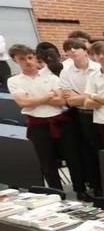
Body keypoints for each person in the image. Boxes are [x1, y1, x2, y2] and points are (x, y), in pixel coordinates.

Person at [7, 44, 88, 199]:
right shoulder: (14, 80)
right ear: (15, 60)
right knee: (47, 161)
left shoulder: (51, 77)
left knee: (73, 157)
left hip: (61, 122)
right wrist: (48, 96)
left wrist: (35, 99)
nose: (28, 62)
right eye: (22, 59)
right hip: (38, 124)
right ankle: (56, 193)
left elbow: (60, 100)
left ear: (36, 58)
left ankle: (80, 189)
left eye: (30, 57)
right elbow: (24, 103)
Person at [58, 39, 102, 196]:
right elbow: (69, 100)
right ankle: (96, 186)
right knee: (87, 152)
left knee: (102, 152)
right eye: (68, 49)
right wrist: (90, 96)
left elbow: (103, 95)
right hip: (81, 115)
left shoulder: (98, 68)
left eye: (76, 47)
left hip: (101, 114)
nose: (73, 51)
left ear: (85, 49)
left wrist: (81, 96)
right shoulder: (66, 72)